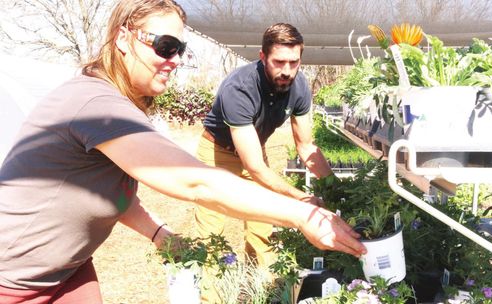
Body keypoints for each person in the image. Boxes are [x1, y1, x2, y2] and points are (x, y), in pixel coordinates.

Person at [0, 1, 366, 303]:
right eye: (164, 46)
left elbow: (110, 191)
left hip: (69, 271)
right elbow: (197, 183)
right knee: (212, 228)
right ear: (123, 38)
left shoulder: (118, 107)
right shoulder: (95, 104)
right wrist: (303, 213)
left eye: (180, 49)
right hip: (14, 280)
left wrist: (159, 233)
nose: (174, 59)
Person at [196, 23, 334, 269]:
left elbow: (305, 146)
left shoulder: (299, 87)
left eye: (294, 63)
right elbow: (255, 166)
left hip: (255, 150)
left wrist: (334, 187)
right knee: (211, 233)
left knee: (262, 229)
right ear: (263, 57)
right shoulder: (240, 88)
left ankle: (259, 288)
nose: (287, 71)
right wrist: (301, 197)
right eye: (279, 62)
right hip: (218, 154)